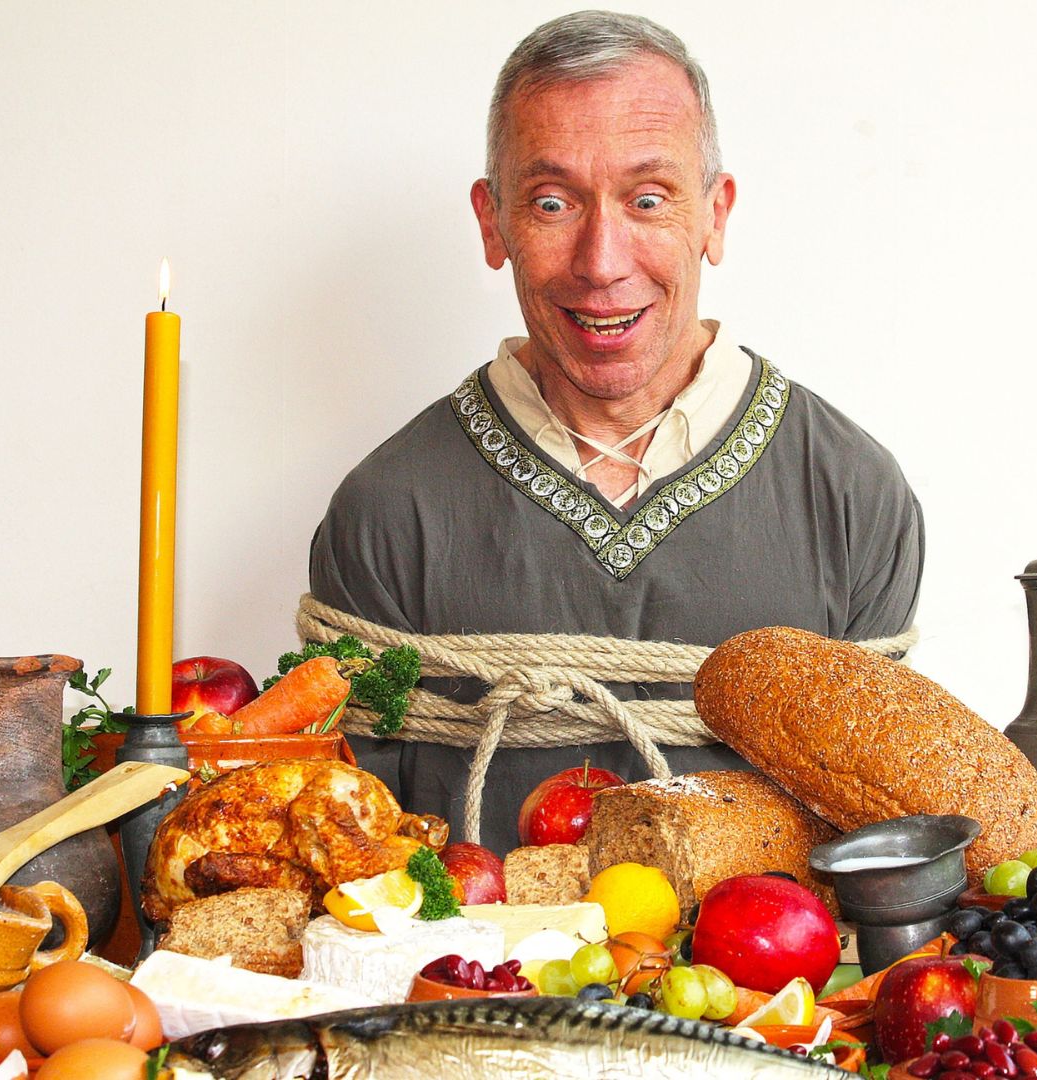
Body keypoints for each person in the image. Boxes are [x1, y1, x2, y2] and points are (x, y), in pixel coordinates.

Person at [308, 11, 924, 853]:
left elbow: (883, 841)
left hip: (779, 987)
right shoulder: (388, 514)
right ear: (493, 224)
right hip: (478, 987)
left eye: (647, 199)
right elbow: (350, 868)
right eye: (553, 202)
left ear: (715, 215)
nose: (602, 261)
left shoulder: (852, 499)